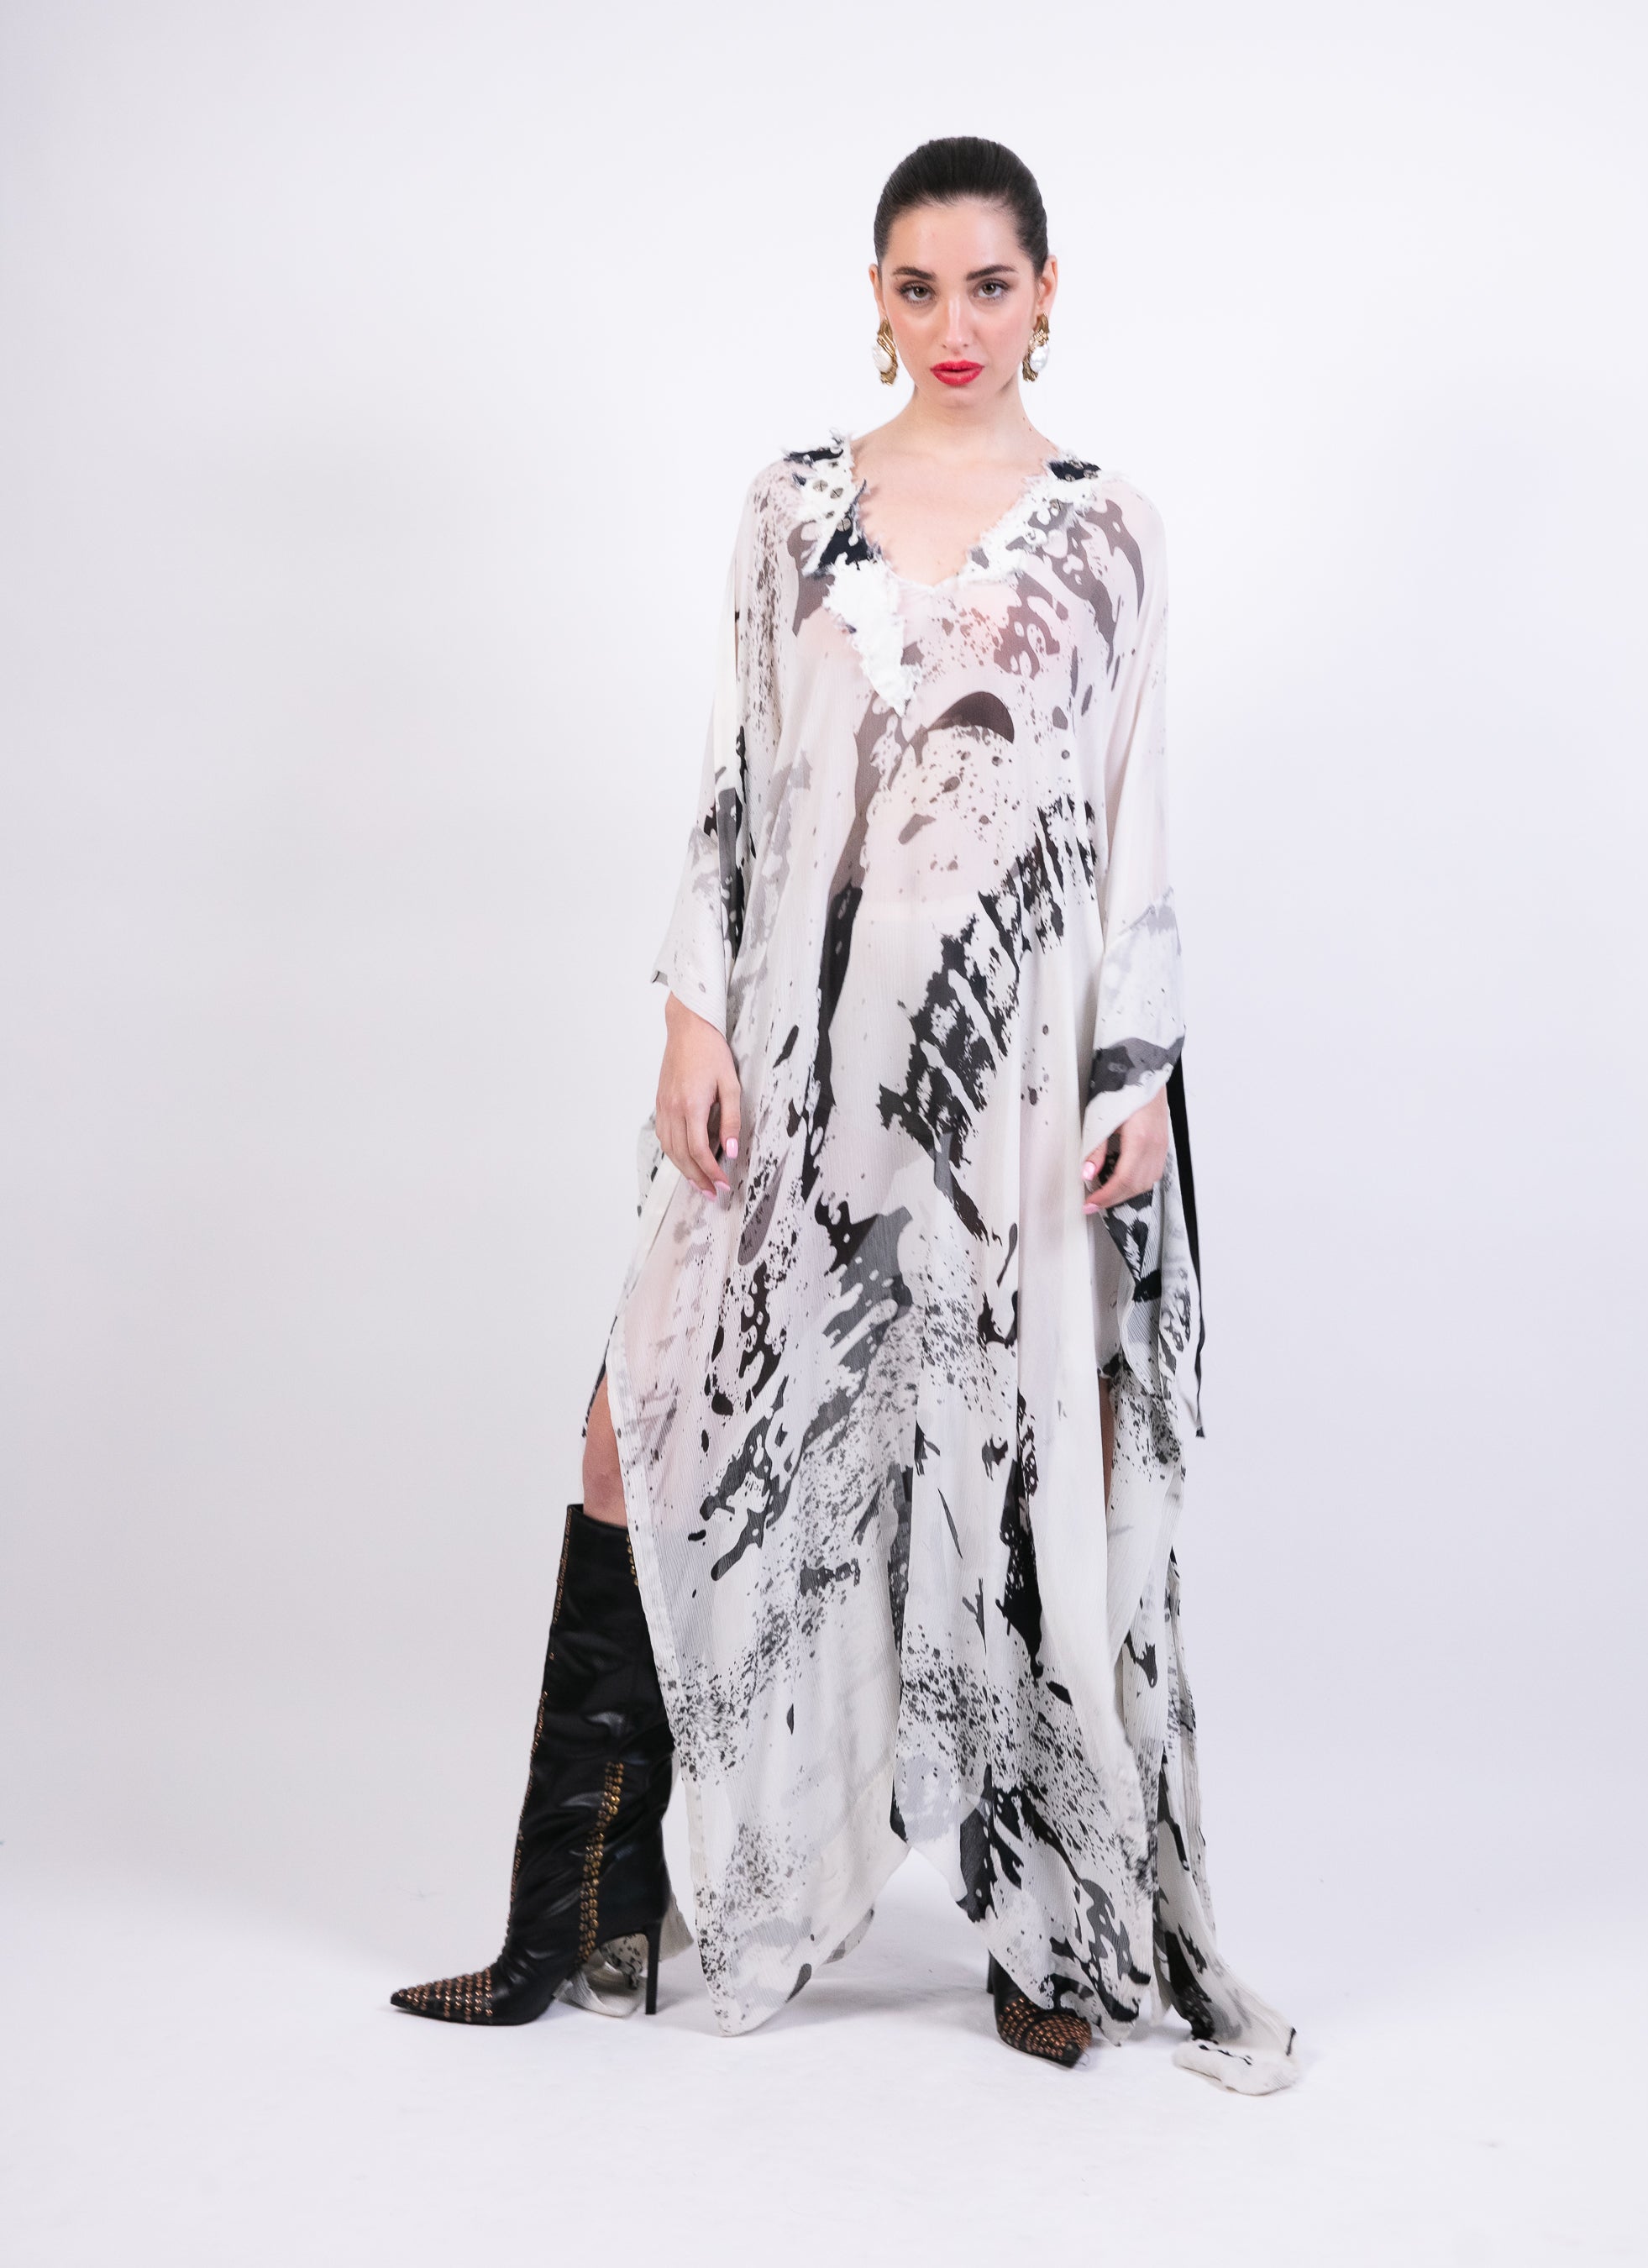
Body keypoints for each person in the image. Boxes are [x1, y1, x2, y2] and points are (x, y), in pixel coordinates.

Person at [393, 134, 1299, 2090]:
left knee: (1028, 1477)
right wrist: (688, 1015)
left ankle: (1051, 1937)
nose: (955, 323)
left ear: (1048, 294)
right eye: (917, 286)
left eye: (990, 284)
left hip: (1022, 1087)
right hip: (796, 1073)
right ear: (874, 300)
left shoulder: (1114, 532)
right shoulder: (792, 510)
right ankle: (573, 1917)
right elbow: (735, 776)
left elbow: (1133, 807)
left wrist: (1139, 1070)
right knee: (643, 1428)